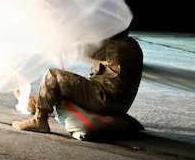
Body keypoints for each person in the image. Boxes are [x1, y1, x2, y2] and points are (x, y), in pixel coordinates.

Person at [12, 28, 144, 133]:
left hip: (105, 100)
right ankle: (32, 104)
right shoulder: (131, 46)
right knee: (64, 87)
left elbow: (81, 49)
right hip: (115, 101)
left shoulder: (118, 47)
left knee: (53, 76)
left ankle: (39, 120)